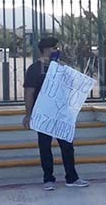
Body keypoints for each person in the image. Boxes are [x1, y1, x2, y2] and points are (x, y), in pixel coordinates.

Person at [22, 36, 89, 191]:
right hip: (43, 114)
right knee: (45, 147)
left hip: (61, 113)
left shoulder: (61, 68)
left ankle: (72, 177)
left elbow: (73, 86)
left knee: (67, 146)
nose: (57, 50)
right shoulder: (34, 69)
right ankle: (48, 179)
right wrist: (28, 114)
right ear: (46, 50)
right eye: (54, 48)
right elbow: (29, 92)